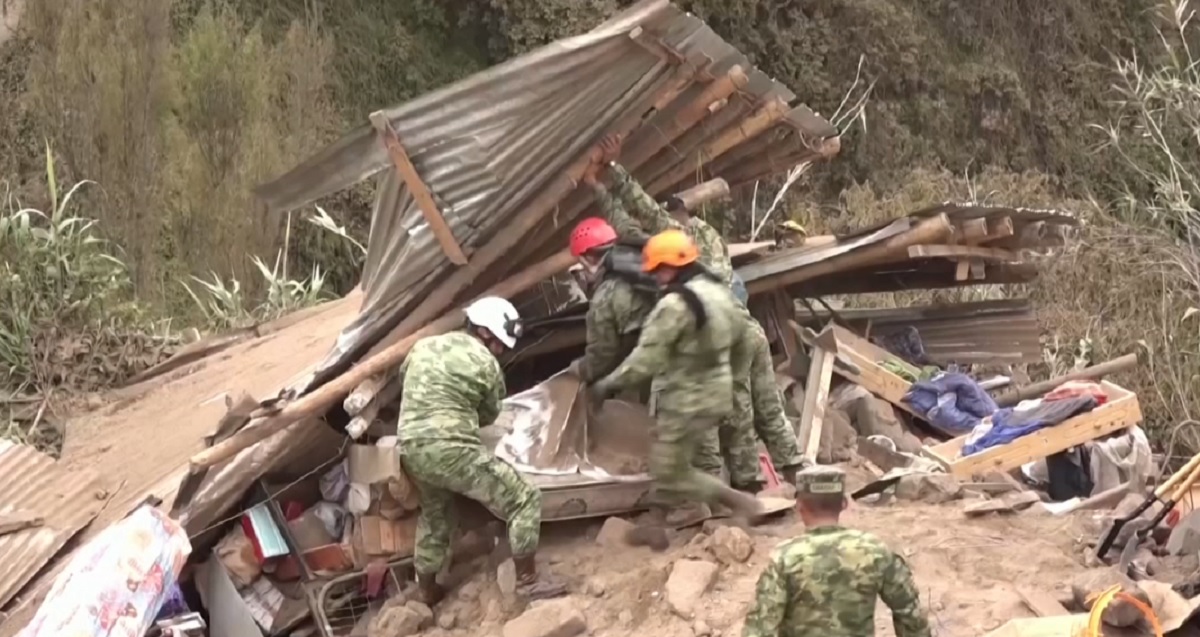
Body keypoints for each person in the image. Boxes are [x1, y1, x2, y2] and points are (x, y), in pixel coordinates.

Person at [585, 134, 804, 489]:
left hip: (726, 338)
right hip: (744, 328)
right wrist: (597, 188)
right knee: (761, 409)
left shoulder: (682, 242)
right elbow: (628, 228)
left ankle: (740, 487)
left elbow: (642, 213)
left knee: (724, 413)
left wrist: (611, 168)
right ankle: (790, 473)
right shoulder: (697, 247)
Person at [397, 296, 566, 605]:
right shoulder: (486, 363)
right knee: (524, 499)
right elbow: (489, 414)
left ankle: (426, 590)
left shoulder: (423, 347)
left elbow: (406, 383)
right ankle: (528, 582)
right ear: (486, 333)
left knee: (436, 515)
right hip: (450, 449)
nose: (499, 351)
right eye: (499, 344)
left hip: (409, 447)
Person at [588, 229, 763, 517]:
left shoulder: (674, 306)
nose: (655, 277)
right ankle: (687, 513)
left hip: (686, 399)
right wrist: (730, 377)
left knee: (669, 470)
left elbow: (644, 361)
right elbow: (745, 340)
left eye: (657, 270)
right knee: (688, 453)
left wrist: (607, 385)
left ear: (670, 267)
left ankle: (733, 502)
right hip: (717, 393)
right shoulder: (719, 292)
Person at [742, 466, 931, 637]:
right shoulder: (875, 551)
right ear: (844, 504)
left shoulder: (784, 558)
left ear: (799, 506)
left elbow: (759, 629)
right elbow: (909, 613)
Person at [565, 217, 658, 390]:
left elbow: (603, 355)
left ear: (589, 259)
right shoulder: (641, 260)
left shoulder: (604, 298)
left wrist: (579, 369)